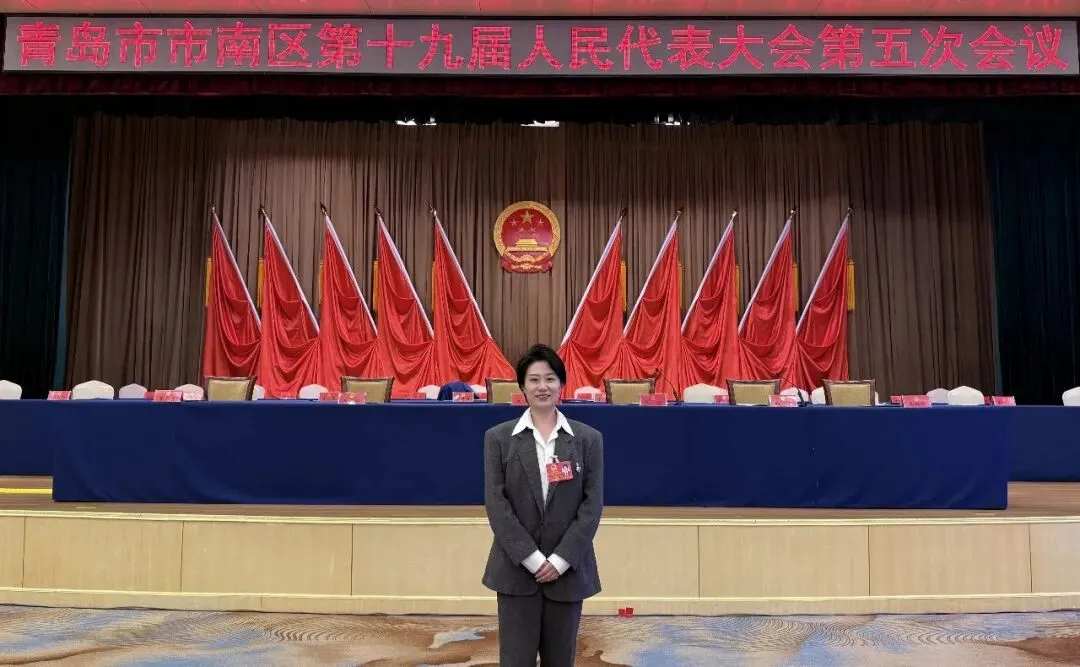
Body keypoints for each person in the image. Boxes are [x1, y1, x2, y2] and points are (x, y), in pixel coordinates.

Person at [482, 344, 604, 666]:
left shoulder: (588, 439)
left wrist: (561, 560)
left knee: (561, 660)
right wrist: (533, 559)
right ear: (522, 386)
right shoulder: (498, 438)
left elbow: (592, 506)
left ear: (562, 384)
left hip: (567, 574)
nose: (542, 387)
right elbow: (497, 505)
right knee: (516, 660)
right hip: (516, 573)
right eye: (534, 379)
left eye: (550, 379)